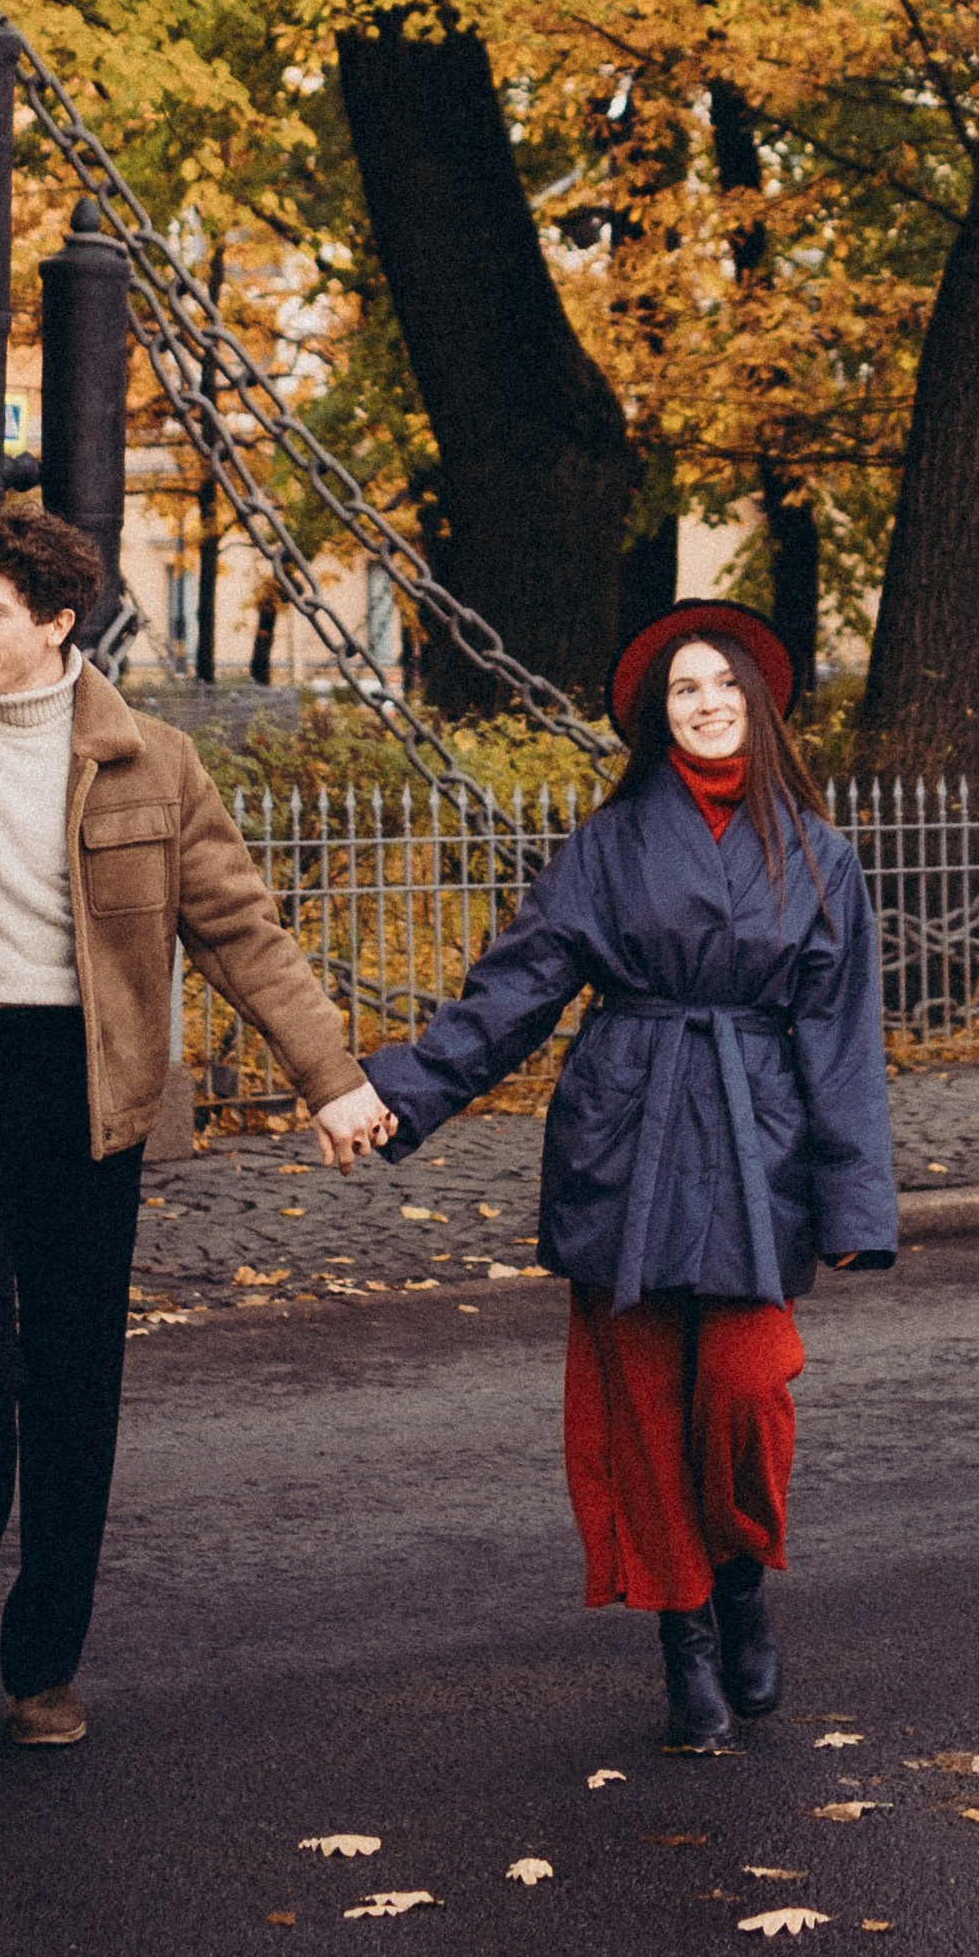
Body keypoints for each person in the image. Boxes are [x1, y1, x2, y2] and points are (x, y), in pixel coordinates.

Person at [0, 502, 395, 1767]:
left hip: (95, 1093)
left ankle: (45, 1662)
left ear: (58, 623)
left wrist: (329, 1077)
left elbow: (238, 932)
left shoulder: (152, 760)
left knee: (74, 1383)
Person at [363, 602, 896, 1752]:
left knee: (748, 1390)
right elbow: (516, 991)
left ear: (759, 701)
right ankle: (686, 1635)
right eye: (682, 693)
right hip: (629, 1131)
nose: (706, 705)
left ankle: (742, 1574)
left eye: (723, 685)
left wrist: (856, 1201)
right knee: (644, 1412)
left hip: (761, 1143)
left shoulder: (819, 854)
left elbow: (843, 1041)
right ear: (660, 721)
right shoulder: (606, 846)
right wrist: (398, 1092)